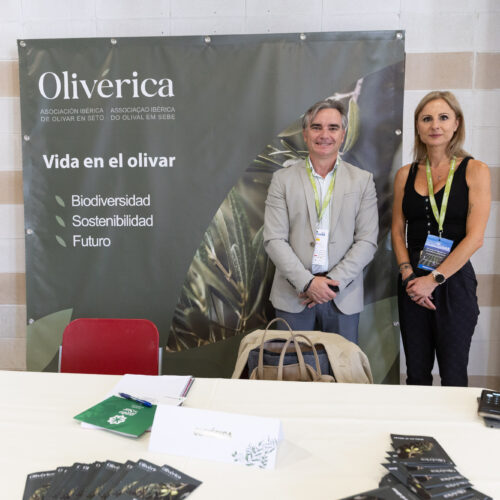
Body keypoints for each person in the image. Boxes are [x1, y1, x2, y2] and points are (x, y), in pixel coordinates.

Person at [392, 90, 491, 386]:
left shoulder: (475, 170)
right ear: (418, 126)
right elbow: (397, 230)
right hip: (412, 283)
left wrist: (433, 280)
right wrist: (409, 276)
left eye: (443, 117)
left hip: (454, 282)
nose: (435, 125)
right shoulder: (405, 174)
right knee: (416, 375)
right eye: (427, 119)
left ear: (456, 124)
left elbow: (475, 238)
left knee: (453, 375)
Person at [263, 99, 379, 344]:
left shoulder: (362, 181)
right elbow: (274, 239)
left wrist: (331, 285)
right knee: (293, 367)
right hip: (294, 296)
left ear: (343, 134)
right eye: (316, 127)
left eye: (333, 128)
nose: (324, 135)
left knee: (341, 368)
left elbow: (367, 241)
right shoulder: (282, 180)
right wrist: (307, 283)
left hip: (342, 297)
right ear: (305, 134)